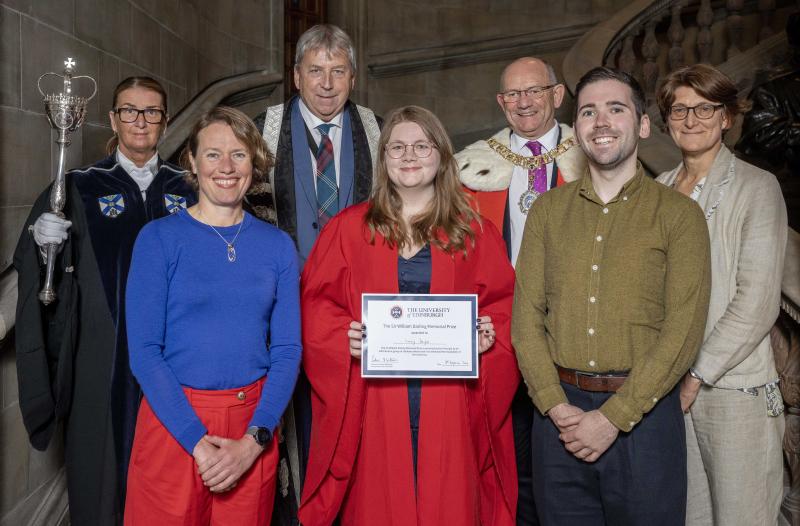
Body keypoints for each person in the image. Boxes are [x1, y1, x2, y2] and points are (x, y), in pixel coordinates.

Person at [298, 106, 519, 525]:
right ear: (383, 160)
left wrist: (488, 337)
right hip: (374, 400)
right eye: (396, 147)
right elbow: (316, 308)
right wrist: (341, 337)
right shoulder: (348, 230)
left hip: (451, 400)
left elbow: (504, 307)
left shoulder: (473, 230)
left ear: (441, 156)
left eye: (422, 145)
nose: (409, 156)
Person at [512, 67, 711, 525]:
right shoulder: (548, 211)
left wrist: (613, 417)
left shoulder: (679, 216)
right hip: (557, 419)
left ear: (642, 124)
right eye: (588, 112)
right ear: (576, 128)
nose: (601, 121)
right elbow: (526, 320)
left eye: (615, 109)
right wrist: (554, 404)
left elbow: (683, 331)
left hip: (645, 418)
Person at [14, 76, 196, 525]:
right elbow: (44, 279)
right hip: (102, 356)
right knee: (101, 481)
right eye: (129, 111)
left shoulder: (190, 189)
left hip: (179, 360)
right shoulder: (78, 187)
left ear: (166, 122)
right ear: (113, 119)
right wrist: (40, 242)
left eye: (151, 112)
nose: (140, 121)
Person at [123, 106, 301, 525]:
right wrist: (198, 443)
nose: (226, 167)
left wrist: (255, 441)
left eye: (239, 154)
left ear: (254, 164)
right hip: (174, 421)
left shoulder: (278, 247)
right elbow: (145, 353)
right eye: (213, 154)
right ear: (192, 161)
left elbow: (289, 350)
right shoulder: (159, 239)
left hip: (250, 425)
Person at [251, 24, 382, 516]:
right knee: (293, 419)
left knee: (353, 418)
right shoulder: (259, 131)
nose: (326, 83)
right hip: (281, 307)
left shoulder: (379, 130)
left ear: (352, 77)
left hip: (357, 311)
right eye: (315, 71)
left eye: (338, 71)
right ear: (296, 75)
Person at [454, 57, 586, 525]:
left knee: (569, 455)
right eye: (513, 94)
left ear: (558, 94)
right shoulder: (470, 169)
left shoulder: (593, 156)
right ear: (500, 102)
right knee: (508, 450)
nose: (524, 102)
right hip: (499, 333)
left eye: (535, 91)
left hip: (573, 330)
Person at [656, 64, 787, 526]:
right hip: (667, 390)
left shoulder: (757, 188)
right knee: (687, 517)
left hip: (734, 390)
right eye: (680, 109)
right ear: (667, 120)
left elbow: (757, 303)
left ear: (727, 117)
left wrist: (694, 377)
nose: (692, 120)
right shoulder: (656, 191)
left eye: (705, 108)